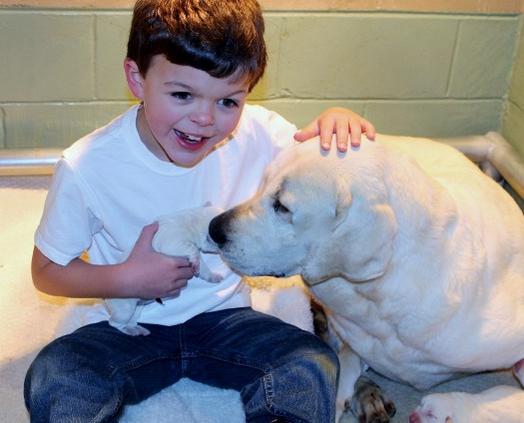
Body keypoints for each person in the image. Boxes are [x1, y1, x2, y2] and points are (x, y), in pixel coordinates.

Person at [24, 0, 376, 422]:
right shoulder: (87, 167)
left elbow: (316, 161)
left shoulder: (259, 132)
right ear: (137, 79)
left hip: (228, 318)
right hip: (128, 326)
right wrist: (127, 278)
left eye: (229, 101)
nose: (205, 119)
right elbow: (45, 271)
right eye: (182, 95)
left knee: (309, 363)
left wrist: (336, 120)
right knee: (57, 373)